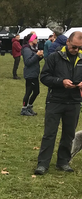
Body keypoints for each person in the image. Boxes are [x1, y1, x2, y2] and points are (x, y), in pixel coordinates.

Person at [34, 31, 82, 175]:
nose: (76, 50)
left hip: (74, 102)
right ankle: (43, 164)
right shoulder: (54, 57)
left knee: (69, 134)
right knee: (50, 133)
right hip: (55, 100)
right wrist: (60, 82)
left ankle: (63, 161)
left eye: (79, 48)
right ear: (67, 42)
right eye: (74, 47)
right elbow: (44, 77)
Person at [20, 33, 43, 116]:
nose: (37, 40)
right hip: (30, 74)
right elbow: (28, 62)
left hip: (34, 73)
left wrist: (40, 56)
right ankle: (24, 109)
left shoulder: (32, 49)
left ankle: (29, 107)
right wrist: (37, 55)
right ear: (31, 40)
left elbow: (34, 60)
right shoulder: (26, 49)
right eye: (36, 38)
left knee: (36, 91)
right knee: (28, 92)